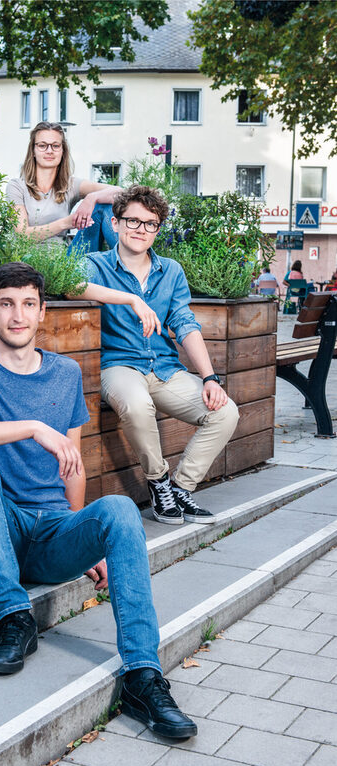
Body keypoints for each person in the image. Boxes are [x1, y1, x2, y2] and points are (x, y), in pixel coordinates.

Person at [0, 261, 197, 740]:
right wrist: (33, 427)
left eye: (28, 304)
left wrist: (84, 540)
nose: (17, 315)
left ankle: (142, 675)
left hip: (50, 534)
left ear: (42, 312)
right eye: (6, 304)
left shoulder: (65, 373)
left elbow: (73, 467)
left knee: (116, 509)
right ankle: (13, 616)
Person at [68, 185, 239, 525]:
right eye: (132, 221)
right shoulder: (94, 264)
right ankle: (158, 481)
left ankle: (178, 488)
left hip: (164, 369)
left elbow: (186, 325)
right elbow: (71, 285)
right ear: (114, 224)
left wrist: (209, 378)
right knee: (136, 402)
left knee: (225, 412)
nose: (140, 229)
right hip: (119, 366)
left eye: (150, 223)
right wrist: (130, 299)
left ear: (158, 230)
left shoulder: (171, 271)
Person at [6, 121, 119, 253]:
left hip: (65, 260)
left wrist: (92, 198)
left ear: (62, 151)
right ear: (33, 151)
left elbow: (121, 193)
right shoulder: (16, 187)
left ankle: (130, 265)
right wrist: (66, 223)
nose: (49, 151)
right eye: (42, 145)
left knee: (103, 206)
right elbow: (21, 235)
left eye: (55, 146)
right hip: (26, 261)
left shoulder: (71, 185)